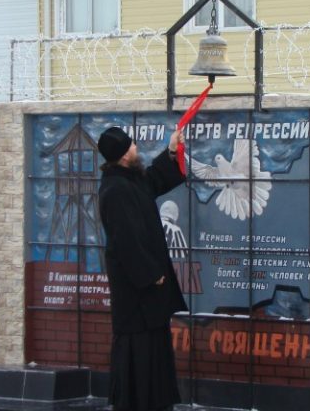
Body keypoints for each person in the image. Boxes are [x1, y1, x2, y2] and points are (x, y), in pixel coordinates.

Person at [97, 126, 188, 411]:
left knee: (154, 348)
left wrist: (171, 150)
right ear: (124, 154)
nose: (136, 147)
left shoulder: (128, 181)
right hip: (137, 293)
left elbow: (153, 179)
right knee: (137, 350)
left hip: (149, 291)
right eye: (132, 145)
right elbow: (125, 241)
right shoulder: (115, 190)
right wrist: (151, 274)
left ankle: (154, 403)